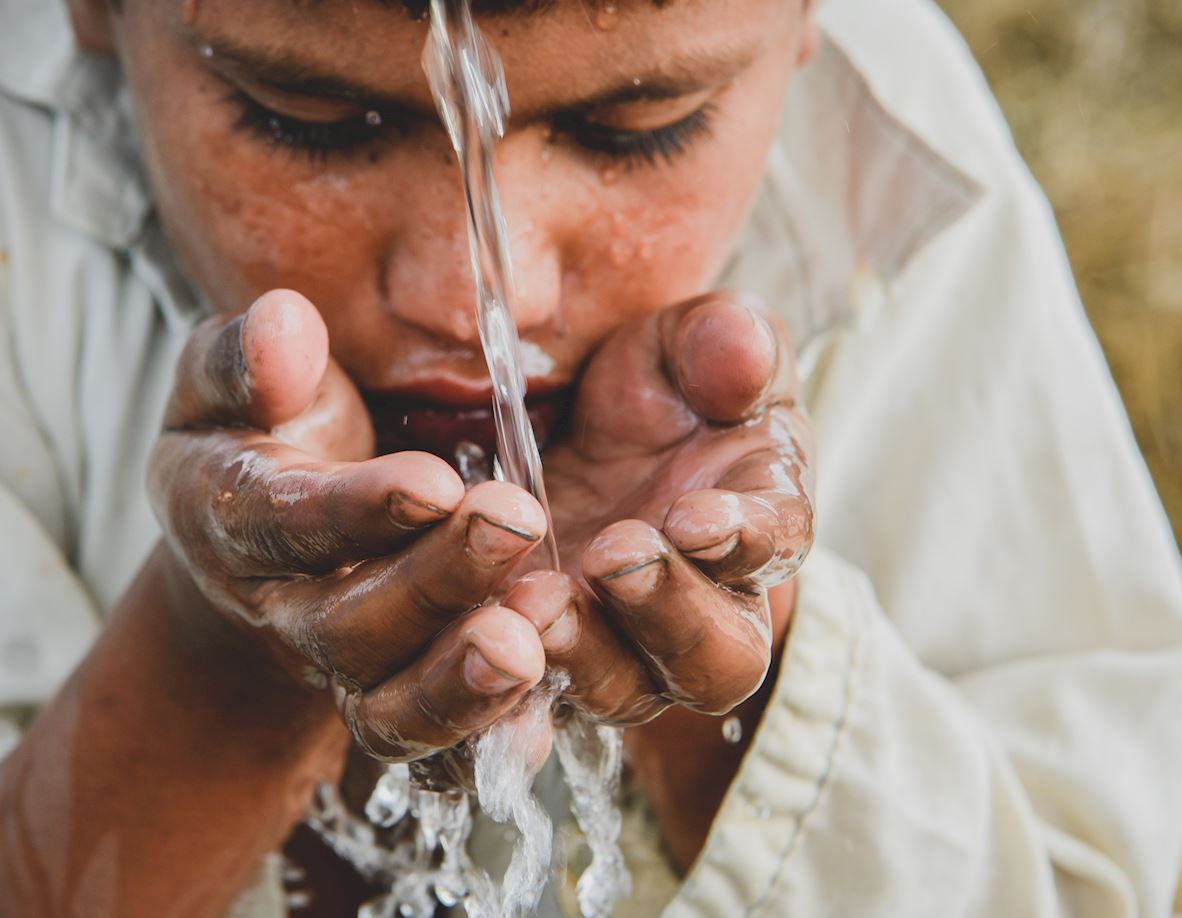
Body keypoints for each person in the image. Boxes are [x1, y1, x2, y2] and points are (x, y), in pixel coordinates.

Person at [1, 0, 1180, 915]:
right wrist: (224, 652)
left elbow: (1084, 868)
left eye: (639, 127)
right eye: (311, 119)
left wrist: (719, 685)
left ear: (809, 21)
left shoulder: (881, 140)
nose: (481, 297)